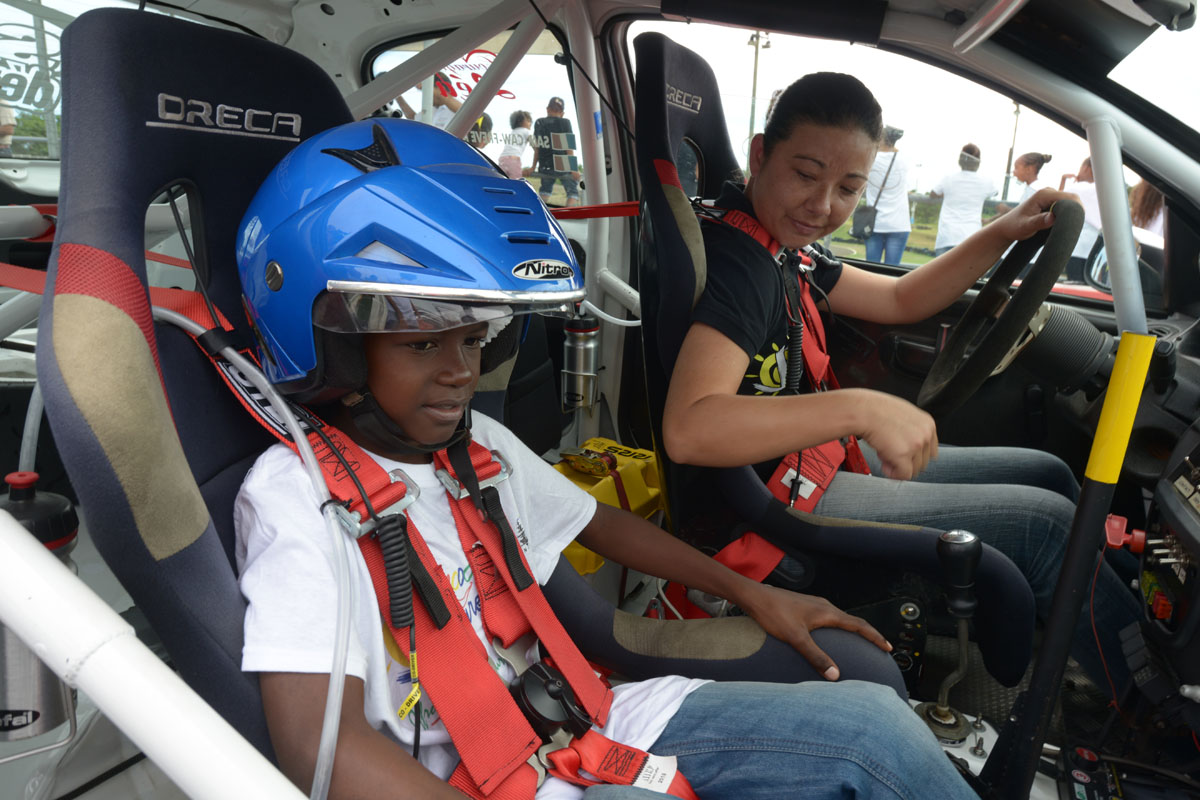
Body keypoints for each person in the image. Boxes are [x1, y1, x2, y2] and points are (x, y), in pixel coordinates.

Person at [234, 119, 974, 800]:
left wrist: (754, 596)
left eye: (474, 338)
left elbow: (598, 523)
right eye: (423, 343)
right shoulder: (296, 497)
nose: (463, 371)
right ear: (331, 343)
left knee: (873, 730)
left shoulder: (471, 446)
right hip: (479, 777)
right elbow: (316, 745)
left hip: (589, 717)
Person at [662, 72, 1141, 696]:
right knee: (1047, 525)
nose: (823, 205)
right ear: (759, 155)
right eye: (805, 174)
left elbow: (899, 297)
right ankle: (1148, 707)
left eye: (849, 188)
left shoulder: (784, 248)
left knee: (1049, 473)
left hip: (810, 467)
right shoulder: (740, 264)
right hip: (775, 500)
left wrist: (1003, 231)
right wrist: (858, 407)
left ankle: (1084, 648)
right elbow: (690, 429)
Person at [929, 144, 998, 256]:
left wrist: (946, 194)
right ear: (978, 161)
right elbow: (995, 193)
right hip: (972, 237)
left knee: (943, 273)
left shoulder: (948, 178)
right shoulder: (986, 182)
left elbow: (933, 194)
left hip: (947, 235)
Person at [862, 125, 910, 264]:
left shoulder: (870, 158)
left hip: (874, 223)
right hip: (899, 223)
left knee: (871, 269)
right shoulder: (904, 159)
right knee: (892, 270)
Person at [530, 96, 580, 207]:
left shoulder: (539, 122)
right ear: (562, 113)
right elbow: (568, 148)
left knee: (545, 190)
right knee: (572, 192)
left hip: (545, 165)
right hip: (562, 165)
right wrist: (574, 169)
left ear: (547, 109)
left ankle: (542, 214)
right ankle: (569, 216)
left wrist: (533, 167)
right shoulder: (565, 123)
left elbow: (537, 148)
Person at [1059, 158, 1102, 282]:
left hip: (1078, 247)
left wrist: (1063, 181)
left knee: (1076, 285)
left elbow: (1057, 201)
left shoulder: (1078, 188)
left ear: (1086, 168)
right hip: (1099, 249)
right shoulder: (1106, 190)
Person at [395, 72, 463, 130]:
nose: (425, 95)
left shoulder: (457, 108)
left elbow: (464, 111)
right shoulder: (431, 110)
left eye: (426, 91)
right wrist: (397, 95)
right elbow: (413, 118)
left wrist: (426, 84)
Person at [499, 110, 532, 180]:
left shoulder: (513, 132)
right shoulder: (525, 131)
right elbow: (536, 144)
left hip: (502, 158)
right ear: (522, 122)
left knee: (502, 180)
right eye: (529, 121)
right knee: (515, 181)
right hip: (514, 159)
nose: (530, 123)